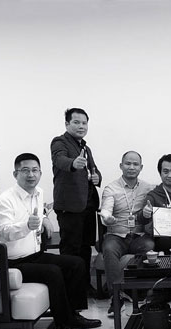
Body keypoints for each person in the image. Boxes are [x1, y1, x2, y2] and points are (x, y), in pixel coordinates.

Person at [0, 153, 101, 329]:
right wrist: (27, 225)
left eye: (35, 170)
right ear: (15, 174)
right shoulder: (5, 199)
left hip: (34, 255)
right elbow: (2, 232)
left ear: (40, 173)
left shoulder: (38, 192)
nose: (31, 175)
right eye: (25, 170)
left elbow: (38, 213)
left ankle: (73, 315)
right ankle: (62, 325)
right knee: (53, 272)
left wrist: (44, 219)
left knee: (76, 263)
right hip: (12, 262)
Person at [51, 108, 102, 286]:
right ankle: (70, 290)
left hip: (88, 205)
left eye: (84, 123)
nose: (81, 126)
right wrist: (73, 163)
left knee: (85, 247)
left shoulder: (85, 147)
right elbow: (60, 160)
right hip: (70, 207)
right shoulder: (59, 142)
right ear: (67, 124)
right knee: (71, 250)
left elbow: (94, 170)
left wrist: (97, 177)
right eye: (76, 122)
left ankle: (85, 286)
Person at [100, 151, 154, 316]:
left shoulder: (147, 188)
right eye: (128, 163)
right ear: (121, 166)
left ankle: (142, 292)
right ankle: (116, 297)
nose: (131, 167)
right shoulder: (111, 188)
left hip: (138, 236)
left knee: (150, 246)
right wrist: (107, 218)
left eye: (135, 164)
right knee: (109, 249)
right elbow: (106, 209)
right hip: (116, 234)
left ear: (141, 167)